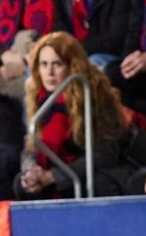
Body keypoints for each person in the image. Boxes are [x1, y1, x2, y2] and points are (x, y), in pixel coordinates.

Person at [17, 30, 139, 198]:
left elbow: (104, 156)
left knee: (97, 182)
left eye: (57, 64)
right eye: (43, 64)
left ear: (72, 66)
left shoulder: (96, 96)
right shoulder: (37, 98)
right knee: (22, 184)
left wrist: (53, 176)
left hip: (93, 170)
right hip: (55, 172)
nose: (49, 72)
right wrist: (31, 171)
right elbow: (30, 146)